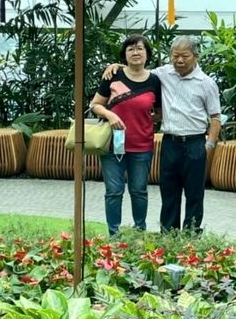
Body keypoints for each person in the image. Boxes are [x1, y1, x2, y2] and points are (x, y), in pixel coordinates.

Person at [103, 37, 221, 232]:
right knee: (169, 191)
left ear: (196, 57)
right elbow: (136, 70)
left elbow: (216, 118)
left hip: (195, 143)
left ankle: (191, 234)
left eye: (185, 56)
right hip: (170, 143)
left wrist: (209, 145)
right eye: (175, 56)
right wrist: (117, 66)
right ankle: (168, 233)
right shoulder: (162, 74)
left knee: (194, 193)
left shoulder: (206, 83)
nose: (179, 61)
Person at [91, 35, 162, 235]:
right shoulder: (113, 76)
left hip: (142, 146)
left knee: (139, 191)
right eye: (130, 49)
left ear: (147, 53)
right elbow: (95, 105)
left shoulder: (154, 80)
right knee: (114, 192)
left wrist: (142, 121)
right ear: (125, 54)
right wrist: (110, 115)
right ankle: (114, 235)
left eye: (140, 48)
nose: (136, 52)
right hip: (113, 144)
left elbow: (159, 113)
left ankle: (139, 232)